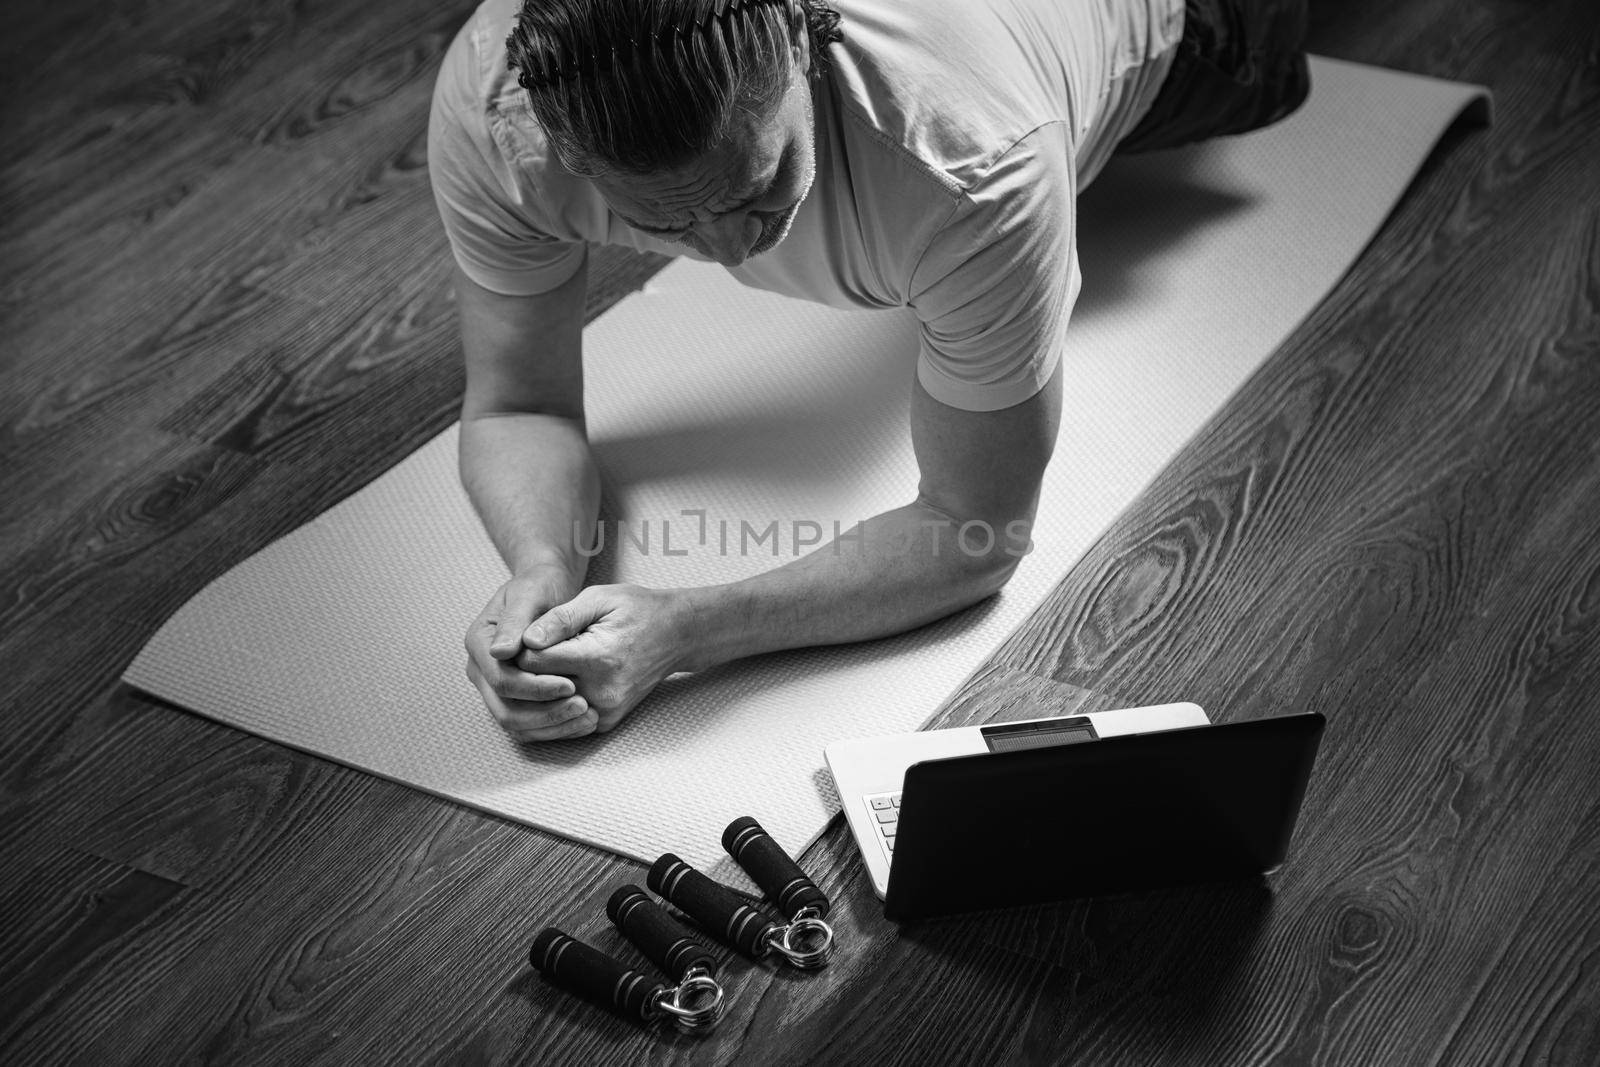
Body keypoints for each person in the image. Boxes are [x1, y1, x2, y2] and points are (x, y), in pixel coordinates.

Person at [428, 0, 1309, 742]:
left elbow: (974, 530)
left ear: (807, 40)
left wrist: (686, 627)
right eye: (667, 225)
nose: (730, 248)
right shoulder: (498, 118)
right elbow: (519, 405)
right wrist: (541, 568)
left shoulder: (974, 161)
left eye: (757, 188)